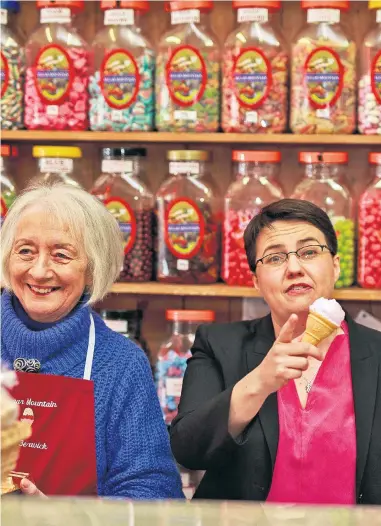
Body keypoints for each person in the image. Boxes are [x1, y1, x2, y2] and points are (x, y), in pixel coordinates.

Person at [170, 199, 381, 505]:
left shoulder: (376, 353)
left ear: (335, 266)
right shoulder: (219, 345)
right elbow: (188, 449)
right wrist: (259, 382)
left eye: (309, 252)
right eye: (275, 258)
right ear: (256, 280)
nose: (294, 268)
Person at [1, 182, 183, 499]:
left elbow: (155, 492)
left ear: (93, 270)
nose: (40, 271)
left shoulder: (121, 364)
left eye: (61, 255)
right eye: (25, 251)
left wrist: (73, 517)